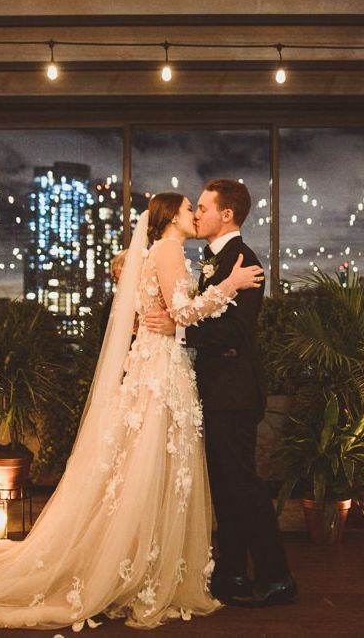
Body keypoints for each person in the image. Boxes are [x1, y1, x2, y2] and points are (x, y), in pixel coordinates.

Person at [0, 193, 263, 629]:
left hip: (158, 366)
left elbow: (162, 311)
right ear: (171, 217)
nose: (194, 214)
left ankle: (140, 559)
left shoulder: (157, 251)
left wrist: (174, 316)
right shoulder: (170, 249)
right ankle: (144, 568)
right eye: (189, 208)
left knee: (147, 465)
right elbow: (183, 312)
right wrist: (230, 286)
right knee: (155, 464)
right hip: (161, 372)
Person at [144, 179, 296, 607]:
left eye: (204, 208)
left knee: (242, 483)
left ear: (226, 215)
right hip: (214, 389)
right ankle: (231, 573)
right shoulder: (211, 259)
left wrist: (182, 329)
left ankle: (276, 575)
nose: (197, 215)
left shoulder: (244, 260)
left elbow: (236, 330)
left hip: (235, 392)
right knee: (226, 487)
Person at [99, 249, 128, 344]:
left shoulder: (148, 301)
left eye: (123, 279)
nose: (119, 284)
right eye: (116, 280)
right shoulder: (111, 304)